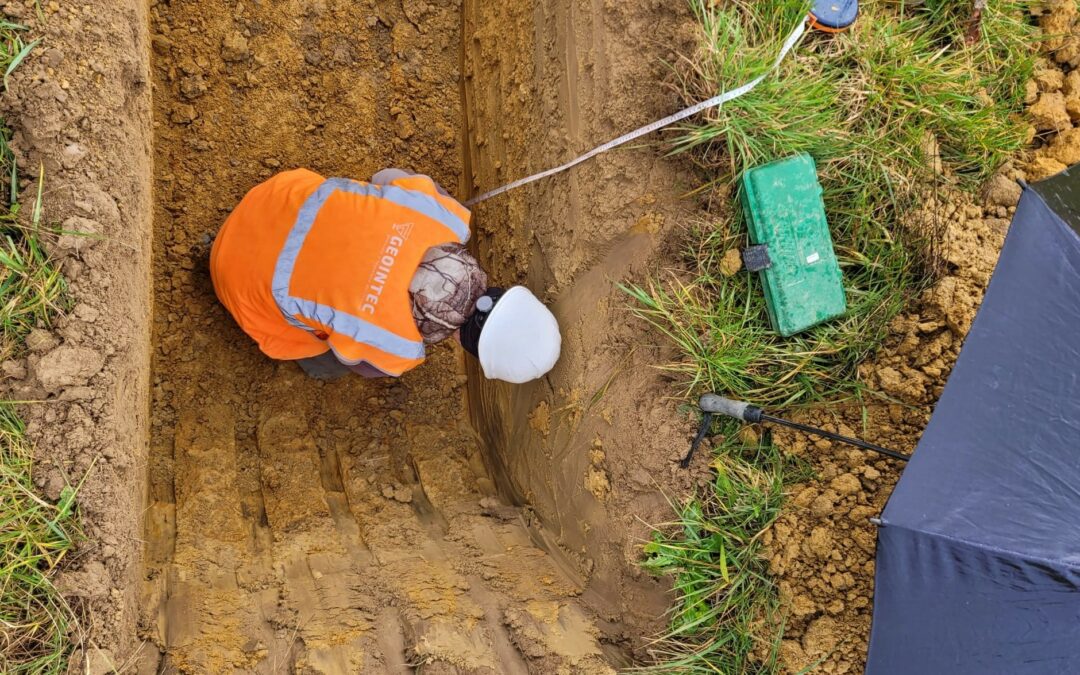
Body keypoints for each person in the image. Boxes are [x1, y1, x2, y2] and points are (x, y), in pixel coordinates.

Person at [209, 168, 561, 383]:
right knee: (329, 364)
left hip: (273, 198)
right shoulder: (399, 348)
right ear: (461, 343)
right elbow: (359, 365)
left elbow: (385, 177)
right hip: (234, 276)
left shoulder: (447, 218)